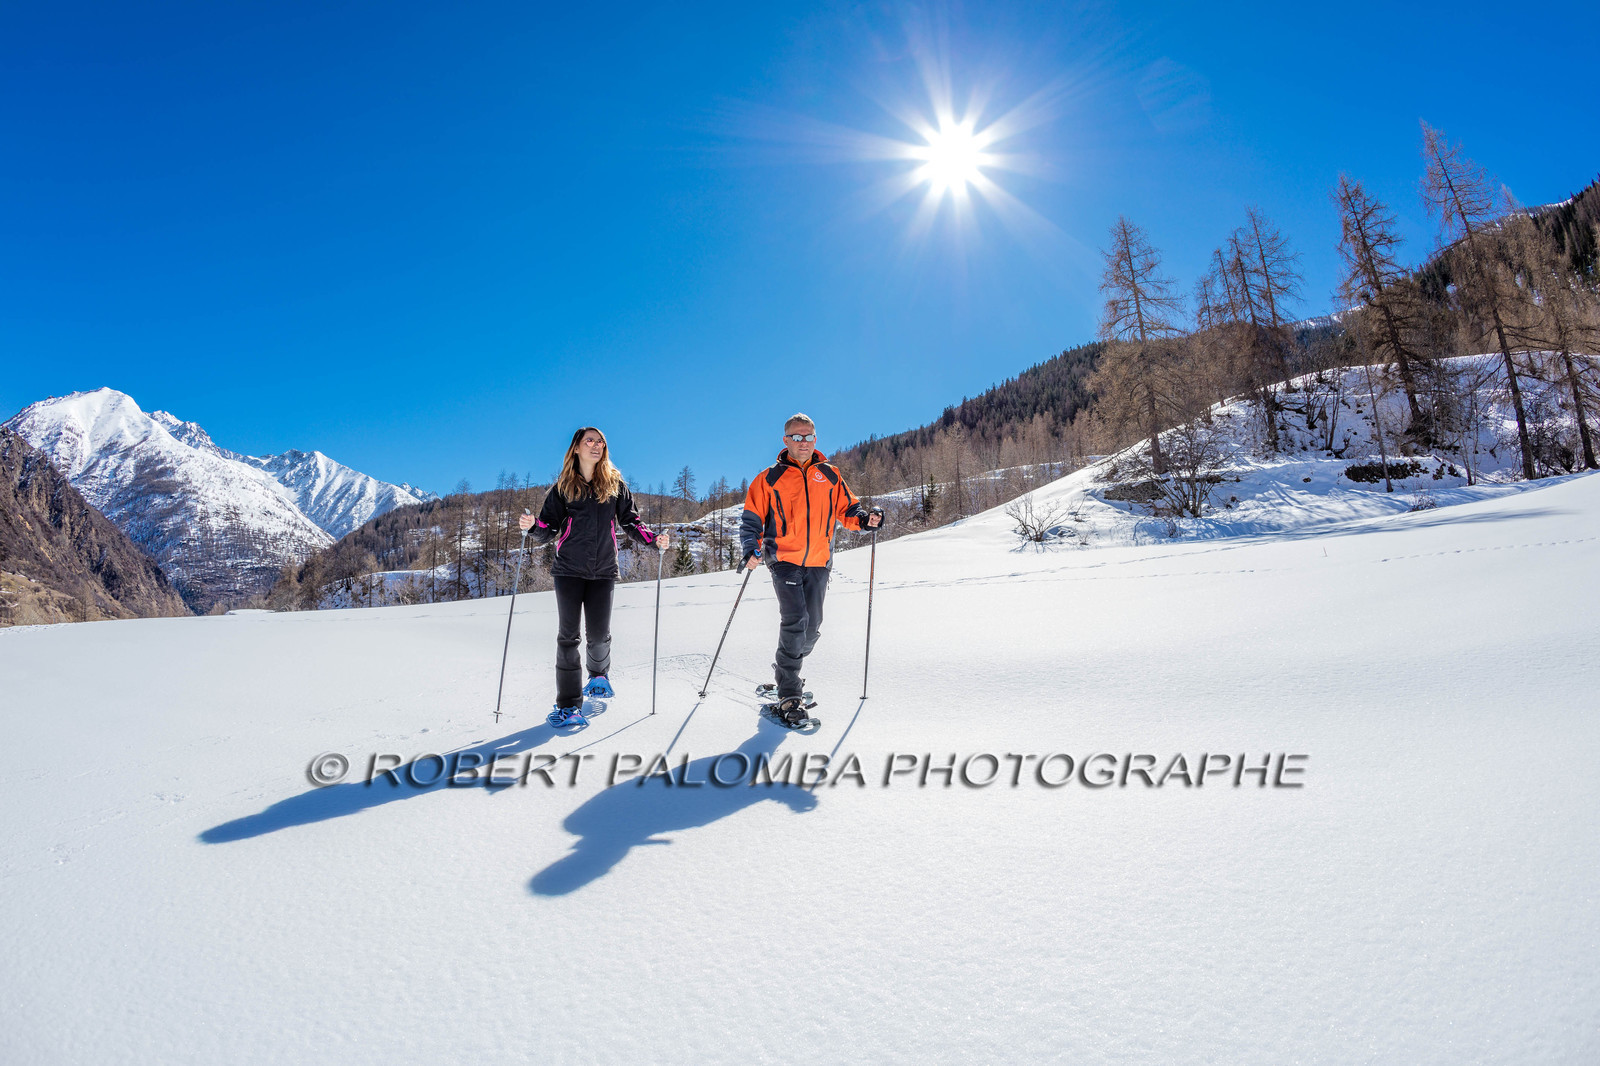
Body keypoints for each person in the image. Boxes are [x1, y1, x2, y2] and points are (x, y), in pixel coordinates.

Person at [739, 412, 883, 725]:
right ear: (785, 440)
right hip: (784, 559)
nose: (803, 442)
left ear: (815, 439)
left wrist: (865, 520)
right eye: (796, 437)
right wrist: (751, 547)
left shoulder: (830, 475)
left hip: (819, 560)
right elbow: (752, 519)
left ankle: (785, 671)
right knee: (795, 621)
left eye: (808, 437)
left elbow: (848, 509)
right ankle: (789, 694)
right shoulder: (769, 478)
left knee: (812, 628)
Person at [520, 427, 666, 727]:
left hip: (603, 570)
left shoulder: (615, 485)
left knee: (599, 635)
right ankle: (568, 706)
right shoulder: (563, 488)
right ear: (576, 448)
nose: (596, 445)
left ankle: (599, 675)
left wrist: (653, 540)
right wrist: (533, 525)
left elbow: (631, 522)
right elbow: (548, 529)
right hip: (568, 570)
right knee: (568, 638)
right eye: (590, 441)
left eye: (600, 442)